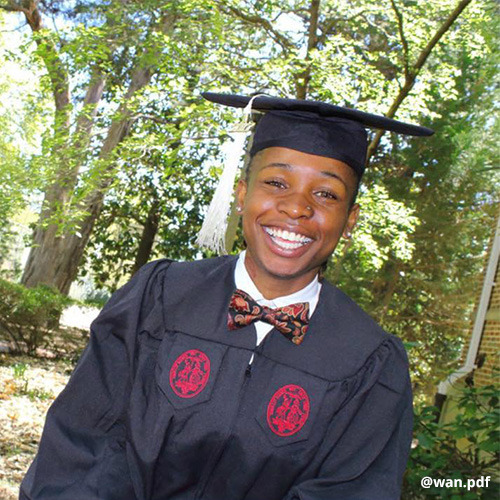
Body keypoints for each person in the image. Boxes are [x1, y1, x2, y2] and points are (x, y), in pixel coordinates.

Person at [20, 93, 433, 500]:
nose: (296, 207)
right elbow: (84, 442)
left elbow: (353, 491)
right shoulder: (160, 297)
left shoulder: (369, 362)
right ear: (241, 194)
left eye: (326, 194)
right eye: (275, 182)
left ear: (349, 221)